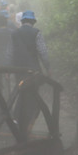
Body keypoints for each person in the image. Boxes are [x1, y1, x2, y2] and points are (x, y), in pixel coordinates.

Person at [10, 10, 51, 139]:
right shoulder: (36, 33)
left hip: (18, 69)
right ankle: (26, 122)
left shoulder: (14, 33)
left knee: (21, 91)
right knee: (32, 94)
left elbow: (10, 52)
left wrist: (9, 69)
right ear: (33, 21)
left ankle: (17, 119)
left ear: (22, 21)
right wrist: (48, 67)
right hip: (33, 70)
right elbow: (43, 52)